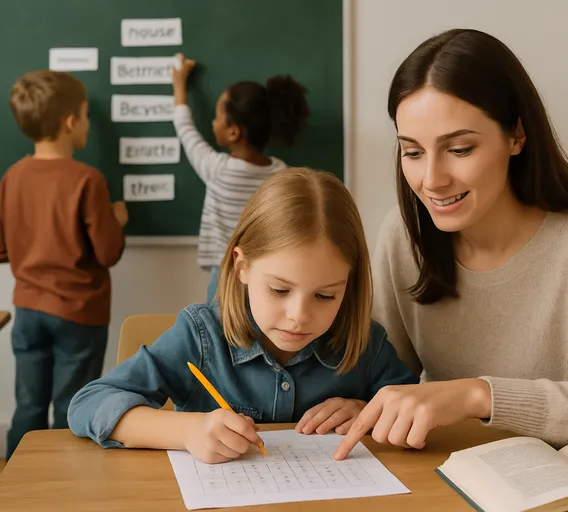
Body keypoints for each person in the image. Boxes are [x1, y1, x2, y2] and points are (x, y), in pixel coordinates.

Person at [333, 28, 568, 461]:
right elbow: (385, 379)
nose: (432, 180)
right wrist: (362, 404)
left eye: (460, 149)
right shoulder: (403, 236)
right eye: (412, 152)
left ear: (517, 136)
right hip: (452, 481)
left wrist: (480, 395)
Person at [68, 167, 418, 464]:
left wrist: (367, 413)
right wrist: (187, 431)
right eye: (279, 290)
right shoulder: (200, 335)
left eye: (325, 295)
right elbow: (87, 404)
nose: (299, 316)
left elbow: (413, 409)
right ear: (242, 266)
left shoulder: (365, 344)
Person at [0, 70, 127, 460]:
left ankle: (14, 490)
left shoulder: (12, 176)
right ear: (70, 123)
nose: (86, 123)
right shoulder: (87, 179)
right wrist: (117, 220)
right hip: (79, 315)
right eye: (84, 115)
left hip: (29, 310)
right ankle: (63, 491)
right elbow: (107, 253)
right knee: (72, 408)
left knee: (28, 406)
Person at [171, 54, 310, 303]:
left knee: (219, 335)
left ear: (233, 131)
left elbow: (185, 129)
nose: (213, 123)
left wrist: (179, 85)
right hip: (270, 273)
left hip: (224, 274)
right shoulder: (282, 174)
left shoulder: (217, 169)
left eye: (216, 118)